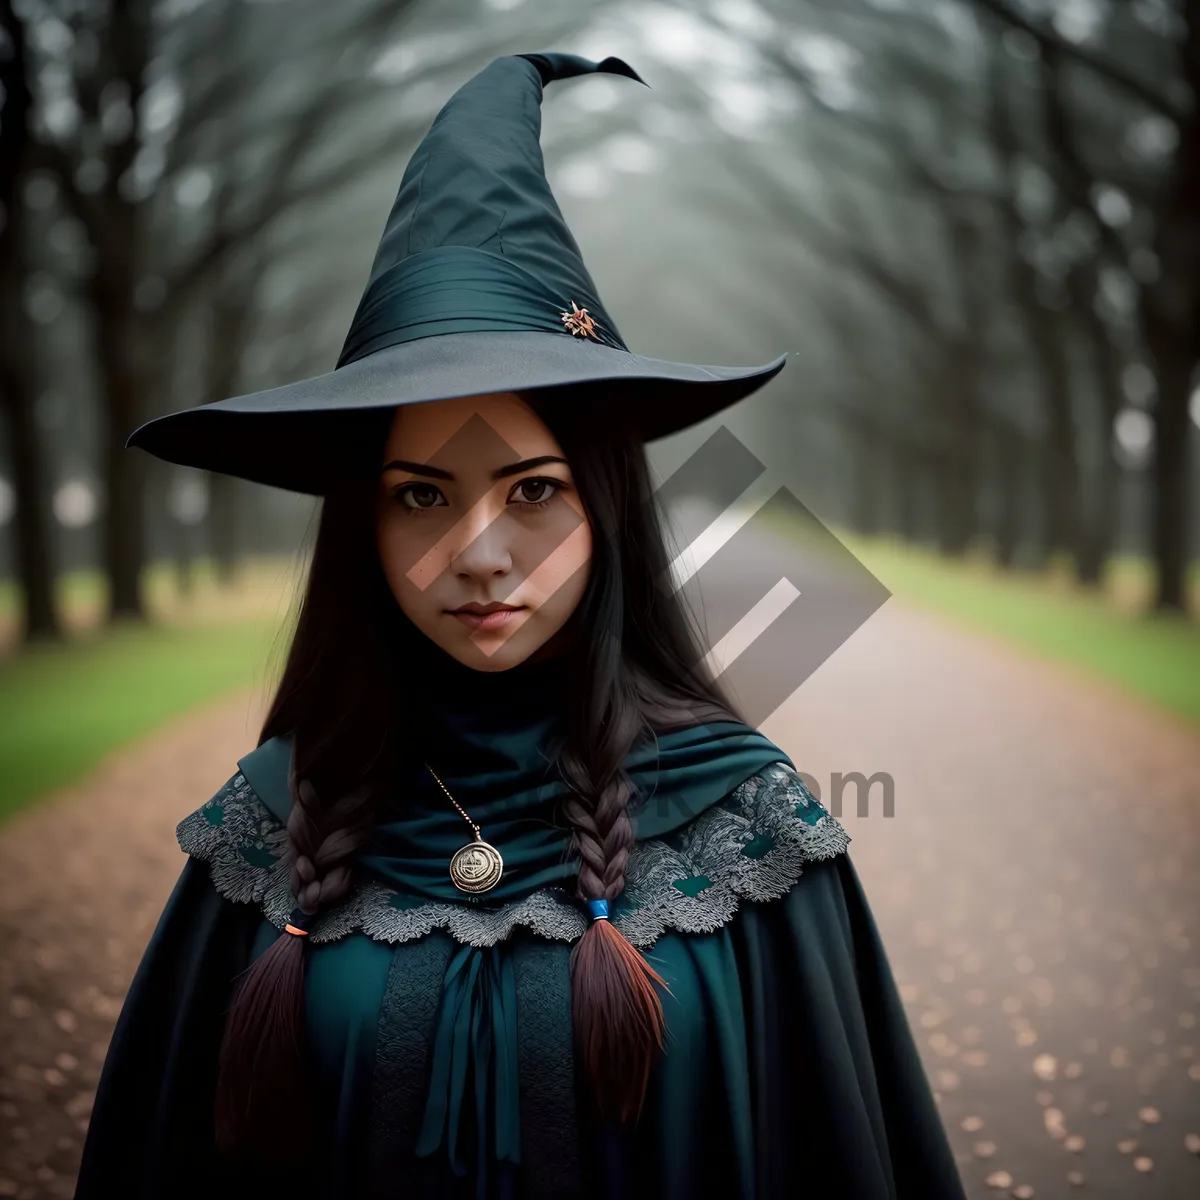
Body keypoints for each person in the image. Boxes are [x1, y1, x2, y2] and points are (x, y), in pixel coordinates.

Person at [73, 52, 966, 1200]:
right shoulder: (270, 825)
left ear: (606, 507)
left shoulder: (748, 829)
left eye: (533, 490)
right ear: (363, 529)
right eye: (422, 496)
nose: (481, 554)